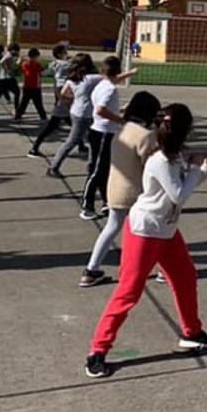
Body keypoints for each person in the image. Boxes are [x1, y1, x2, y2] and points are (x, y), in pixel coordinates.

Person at [84, 103, 207, 379]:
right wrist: (197, 169)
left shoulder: (175, 157)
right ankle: (97, 352)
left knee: (185, 276)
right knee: (129, 292)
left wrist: (204, 168)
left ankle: (192, 333)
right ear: (183, 130)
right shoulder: (161, 160)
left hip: (166, 229)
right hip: (145, 231)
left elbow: (184, 186)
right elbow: (179, 195)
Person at [79, 91, 163, 287]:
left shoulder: (122, 130)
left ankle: (91, 269)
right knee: (156, 229)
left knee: (111, 228)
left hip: (116, 188)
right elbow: (152, 166)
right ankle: (163, 270)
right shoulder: (146, 136)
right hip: (138, 191)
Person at [80, 56, 138, 220]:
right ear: (117, 71)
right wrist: (121, 119)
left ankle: (106, 201)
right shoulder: (109, 89)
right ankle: (87, 205)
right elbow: (100, 110)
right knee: (97, 171)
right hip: (103, 133)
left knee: (104, 170)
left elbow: (105, 107)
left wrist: (119, 110)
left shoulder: (103, 84)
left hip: (101, 131)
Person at [47, 53, 102, 178]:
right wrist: (129, 73)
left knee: (94, 140)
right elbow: (112, 78)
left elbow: (63, 94)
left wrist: (71, 100)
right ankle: (53, 167)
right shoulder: (93, 78)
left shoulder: (72, 79)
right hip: (85, 114)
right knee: (73, 141)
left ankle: (92, 166)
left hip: (77, 112)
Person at [29, 44, 72, 157]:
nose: (67, 53)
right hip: (64, 96)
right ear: (60, 54)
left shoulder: (54, 64)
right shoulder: (66, 65)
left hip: (59, 94)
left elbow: (44, 73)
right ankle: (34, 148)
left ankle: (81, 145)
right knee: (55, 124)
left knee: (72, 122)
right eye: (65, 52)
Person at [14, 47, 48, 122]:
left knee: (24, 102)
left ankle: (18, 116)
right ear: (35, 56)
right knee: (38, 103)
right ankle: (43, 117)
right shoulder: (36, 64)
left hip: (27, 86)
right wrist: (45, 68)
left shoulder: (25, 63)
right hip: (35, 86)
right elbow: (41, 72)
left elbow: (23, 71)